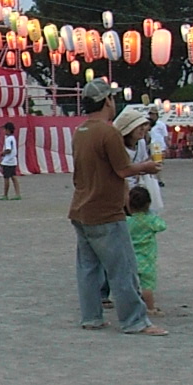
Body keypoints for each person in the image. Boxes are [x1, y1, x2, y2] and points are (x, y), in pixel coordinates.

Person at [70, 79, 167, 336]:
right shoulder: (108, 132)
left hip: (81, 207)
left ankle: (91, 317)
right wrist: (147, 167)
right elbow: (123, 169)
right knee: (122, 267)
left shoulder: (80, 132)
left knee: (88, 269)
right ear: (107, 101)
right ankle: (134, 320)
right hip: (105, 210)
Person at [127, 185, 167, 317]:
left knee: (130, 284)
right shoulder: (150, 220)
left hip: (130, 257)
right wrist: (152, 214)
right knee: (147, 285)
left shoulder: (127, 221)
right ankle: (150, 307)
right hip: (146, 257)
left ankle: (131, 306)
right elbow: (162, 226)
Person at [0, 121, 21, 200]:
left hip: (8, 162)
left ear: (8, 130)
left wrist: (2, 153)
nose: (4, 131)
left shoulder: (8, 139)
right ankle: (18, 194)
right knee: (14, 177)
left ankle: (5, 195)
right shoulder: (13, 138)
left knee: (6, 178)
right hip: (13, 161)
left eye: (4, 129)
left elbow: (8, 150)